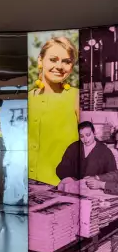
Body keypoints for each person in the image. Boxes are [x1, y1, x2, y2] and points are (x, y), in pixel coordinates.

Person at [28, 36, 79, 186]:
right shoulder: (26, 98)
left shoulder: (76, 97)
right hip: (22, 186)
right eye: (53, 59)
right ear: (40, 60)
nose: (59, 66)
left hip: (61, 188)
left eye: (66, 61)